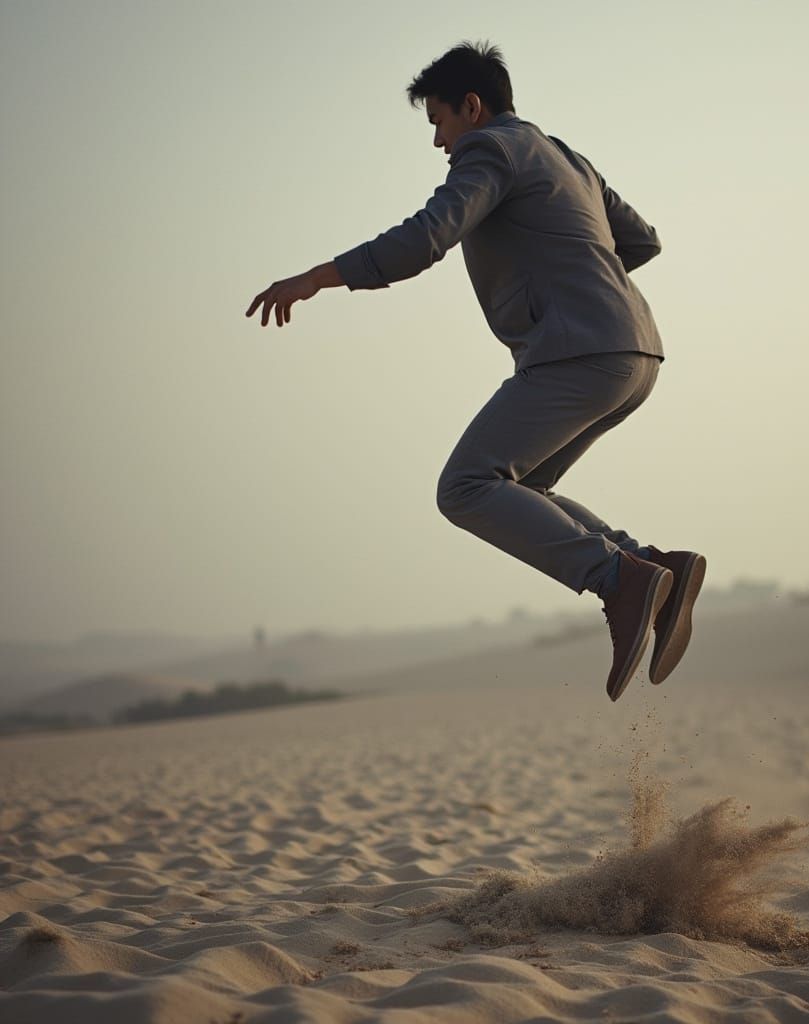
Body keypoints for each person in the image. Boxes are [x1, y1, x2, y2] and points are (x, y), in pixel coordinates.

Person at [245, 41, 706, 702]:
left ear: (472, 106)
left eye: (439, 121)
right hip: (636, 351)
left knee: (464, 486)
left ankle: (620, 579)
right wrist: (575, 278)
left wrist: (317, 278)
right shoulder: (564, 156)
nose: (439, 141)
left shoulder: (490, 149)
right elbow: (640, 240)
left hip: (579, 352)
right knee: (524, 490)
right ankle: (656, 568)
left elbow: (426, 236)